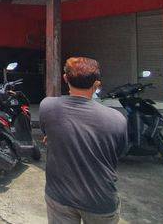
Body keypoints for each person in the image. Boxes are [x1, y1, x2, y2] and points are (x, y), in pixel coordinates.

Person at [40, 57, 128, 224]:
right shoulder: (116, 119)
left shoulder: (47, 107)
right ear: (96, 85)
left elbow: (48, 135)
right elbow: (119, 152)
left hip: (59, 197)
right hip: (100, 201)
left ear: (65, 79)